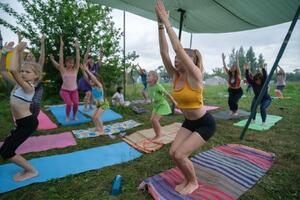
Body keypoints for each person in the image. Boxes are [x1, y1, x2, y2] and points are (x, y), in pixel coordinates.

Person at [155, 0, 216, 195]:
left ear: (190, 61)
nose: (175, 59)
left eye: (180, 58)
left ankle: (193, 182)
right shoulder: (175, 76)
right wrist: (159, 25)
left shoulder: (196, 76)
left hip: (205, 123)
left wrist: (167, 20)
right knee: (173, 153)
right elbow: (165, 52)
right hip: (189, 122)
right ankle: (187, 179)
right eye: (176, 59)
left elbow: (177, 49)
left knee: (181, 154)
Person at [0, 41, 43, 181]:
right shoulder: (18, 85)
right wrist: (4, 54)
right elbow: (3, 71)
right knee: (6, 149)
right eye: (22, 71)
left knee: (6, 151)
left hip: (28, 123)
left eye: (27, 72)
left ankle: (32, 171)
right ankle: (29, 169)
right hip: (21, 123)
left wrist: (16, 51)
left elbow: (13, 70)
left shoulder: (29, 88)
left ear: (35, 76)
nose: (23, 73)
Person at [50, 37, 80, 121]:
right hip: (64, 91)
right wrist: (61, 46)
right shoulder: (63, 70)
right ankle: (67, 116)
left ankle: (74, 116)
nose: (71, 64)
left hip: (74, 90)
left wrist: (77, 48)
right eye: (69, 62)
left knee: (76, 104)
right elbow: (61, 58)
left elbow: (78, 59)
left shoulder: (75, 70)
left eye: (72, 63)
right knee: (69, 104)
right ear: (66, 63)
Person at [147, 70, 176, 142]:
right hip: (156, 105)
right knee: (152, 120)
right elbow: (152, 95)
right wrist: (150, 101)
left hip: (162, 105)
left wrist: (174, 102)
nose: (147, 77)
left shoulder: (158, 86)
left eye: (149, 75)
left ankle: (159, 136)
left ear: (154, 78)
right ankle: (157, 135)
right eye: (147, 75)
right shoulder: (148, 86)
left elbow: (167, 94)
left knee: (155, 120)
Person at [80, 63, 109, 134]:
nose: (91, 81)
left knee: (96, 117)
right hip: (98, 105)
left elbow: (94, 78)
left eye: (92, 80)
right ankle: (97, 128)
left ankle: (102, 130)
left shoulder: (99, 85)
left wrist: (87, 70)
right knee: (93, 116)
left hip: (103, 104)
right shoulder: (92, 86)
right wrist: (83, 71)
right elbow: (86, 77)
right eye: (90, 80)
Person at [78, 46, 104, 111]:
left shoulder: (96, 66)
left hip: (93, 82)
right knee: (88, 93)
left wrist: (101, 51)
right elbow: (84, 60)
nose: (91, 60)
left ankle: (91, 106)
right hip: (85, 81)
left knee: (92, 94)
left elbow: (101, 59)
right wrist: (88, 51)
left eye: (92, 59)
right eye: (90, 59)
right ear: (88, 60)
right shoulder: (86, 66)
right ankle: (85, 107)